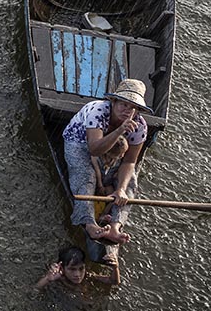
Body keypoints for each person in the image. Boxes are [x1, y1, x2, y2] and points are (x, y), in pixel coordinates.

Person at [61, 78, 152, 244]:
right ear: (114, 101)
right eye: (124, 104)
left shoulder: (140, 125)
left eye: (132, 107)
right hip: (80, 142)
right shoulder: (98, 111)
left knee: (129, 182)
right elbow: (93, 149)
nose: (127, 110)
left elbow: (130, 162)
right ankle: (89, 224)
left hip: (114, 147)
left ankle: (116, 225)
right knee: (86, 175)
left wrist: (121, 190)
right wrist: (119, 130)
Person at [93, 136, 138, 246]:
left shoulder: (116, 160)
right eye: (120, 154)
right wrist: (99, 185)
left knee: (114, 195)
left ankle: (106, 216)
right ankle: (94, 219)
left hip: (108, 183)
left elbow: (119, 171)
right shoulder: (97, 157)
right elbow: (98, 172)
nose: (122, 156)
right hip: (98, 181)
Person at [35, 246, 121, 289]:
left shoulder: (88, 276)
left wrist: (115, 268)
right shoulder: (59, 279)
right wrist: (47, 279)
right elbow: (35, 290)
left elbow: (113, 281)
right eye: (72, 269)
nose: (77, 274)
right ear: (62, 268)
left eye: (81, 268)